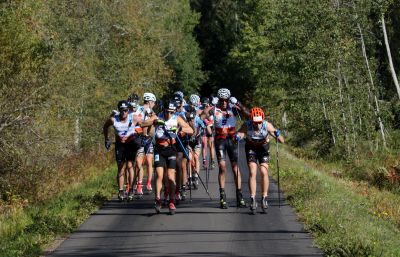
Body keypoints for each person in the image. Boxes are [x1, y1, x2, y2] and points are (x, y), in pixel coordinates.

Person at [139, 100, 193, 214]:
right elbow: (141, 124)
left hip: (171, 150)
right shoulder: (157, 116)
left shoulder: (176, 118)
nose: (169, 114)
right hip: (159, 150)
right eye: (167, 112)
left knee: (170, 176)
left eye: (171, 112)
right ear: (163, 110)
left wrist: (179, 129)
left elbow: (191, 130)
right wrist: (154, 122)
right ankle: (158, 199)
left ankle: (171, 201)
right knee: (159, 175)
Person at [204, 88, 249, 209]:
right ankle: (222, 197)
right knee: (223, 167)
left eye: (226, 100)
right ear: (219, 99)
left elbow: (248, 115)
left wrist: (238, 103)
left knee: (235, 168)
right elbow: (203, 115)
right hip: (220, 140)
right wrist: (210, 106)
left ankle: (239, 196)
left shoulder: (232, 108)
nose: (224, 102)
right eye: (222, 100)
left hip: (232, 140)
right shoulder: (215, 109)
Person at [237, 107, 284, 214]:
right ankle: (253, 198)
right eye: (255, 122)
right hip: (251, 148)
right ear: (251, 120)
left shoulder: (267, 125)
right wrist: (238, 136)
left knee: (263, 171)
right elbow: (240, 133)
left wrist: (277, 134)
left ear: (262, 120)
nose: (257, 125)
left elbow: (282, 140)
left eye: (259, 122)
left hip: (263, 148)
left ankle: (264, 197)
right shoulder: (247, 125)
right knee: (253, 171)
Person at [103, 100, 141, 201]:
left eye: (125, 110)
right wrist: (106, 139)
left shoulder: (133, 117)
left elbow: (144, 124)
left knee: (129, 165)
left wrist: (145, 135)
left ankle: (131, 189)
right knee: (120, 167)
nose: (124, 113)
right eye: (122, 110)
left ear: (128, 110)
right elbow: (105, 126)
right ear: (119, 110)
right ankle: (121, 191)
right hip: (120, 145)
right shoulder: (113, 119)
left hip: (131, 144)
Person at [134, 92, 157, 195]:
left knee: (149, 161)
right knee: (139, 162)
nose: (154, 104)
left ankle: (148, 183)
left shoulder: (152, 112)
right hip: (139, 138)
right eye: (153, 102)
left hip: (149, 139)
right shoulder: (139, 109)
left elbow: (154, 120)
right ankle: (139, 185)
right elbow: (136, 122)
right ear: (149, 101)